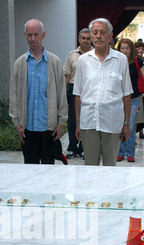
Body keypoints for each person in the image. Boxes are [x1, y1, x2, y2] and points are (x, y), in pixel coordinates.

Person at [73, 18, 133, 166]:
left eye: (102, 32)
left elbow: (126, 95)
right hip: (89, 121)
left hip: (112, 122)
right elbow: (78, 94)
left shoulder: (120, 60)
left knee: (110, 166)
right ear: (91, 36)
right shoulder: (83, 60)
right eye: (95, 32)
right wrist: (78, 123)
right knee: (90, 166)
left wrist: (126, 124)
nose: (98, 36)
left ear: (110, 35)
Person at [9, 19, 67, 164]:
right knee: (30, 172)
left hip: (49, 130)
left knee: (48, 172)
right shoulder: (19, 63)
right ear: (25, 35)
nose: (33, 38)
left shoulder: (54, 62)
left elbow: (61, 94)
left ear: (43, 35)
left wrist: (60, 123)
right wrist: (16, 123)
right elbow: (14, 95)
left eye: (36, 34)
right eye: (29, 35)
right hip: (27, 129)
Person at [117, 39, 144, 163]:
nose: (125, 50)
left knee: (130, 126)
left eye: (127, 48)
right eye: (122, 48)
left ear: (131, 49)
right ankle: (120, 152)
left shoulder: (137, 61)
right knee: (120, 126)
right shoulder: (117, 62)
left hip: (134, 99)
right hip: (119, 99)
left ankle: (130, 153)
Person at [63, 28, 93, 160]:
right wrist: (63, 93)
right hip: (74, 90)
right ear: (79, 39)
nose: (85, 41)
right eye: (83, 38)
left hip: (90, 90)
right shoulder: (72, 55)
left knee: (87, 120)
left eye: (88, 38)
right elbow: (66, 75)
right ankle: (72, 148)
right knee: (72, 121)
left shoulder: (95, 54)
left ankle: (83, 148)